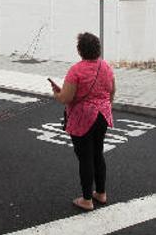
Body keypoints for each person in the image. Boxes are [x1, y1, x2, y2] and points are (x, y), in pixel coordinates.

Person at [52, 32, 116, 211]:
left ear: (80, 50)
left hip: (83, 118)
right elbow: (112, 91)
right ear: (98, 48)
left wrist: (57, 93)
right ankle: (101, 193)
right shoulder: (106, 67)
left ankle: (87, 199)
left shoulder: (76, 70)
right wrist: (104, 104)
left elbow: (66, 98)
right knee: (98, 153)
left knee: (85, 158)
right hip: (103, 115)